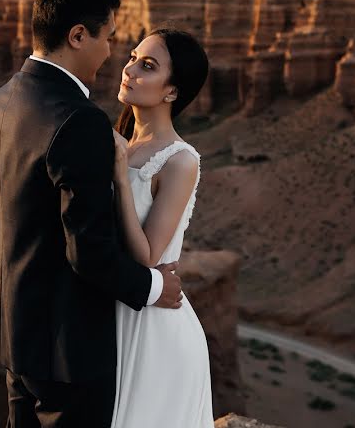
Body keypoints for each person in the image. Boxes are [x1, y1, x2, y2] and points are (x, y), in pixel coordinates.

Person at [0, 0, 184, 428]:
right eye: (107, 37)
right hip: (68, 350)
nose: (111, 52)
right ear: (77, 35)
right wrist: (155, 288)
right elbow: (88, 251)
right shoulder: (80, 120)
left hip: (14, 333)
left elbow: (1, 210)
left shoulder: (1, 101)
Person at [109, 28, 214, 427]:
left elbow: (148, 255)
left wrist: (120, 177)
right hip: (114, 308)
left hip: (154, 328)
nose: (130, 69)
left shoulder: (180, 161)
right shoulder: (120, 142)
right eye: (133, 57)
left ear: (172, 92)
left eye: (147, 66)